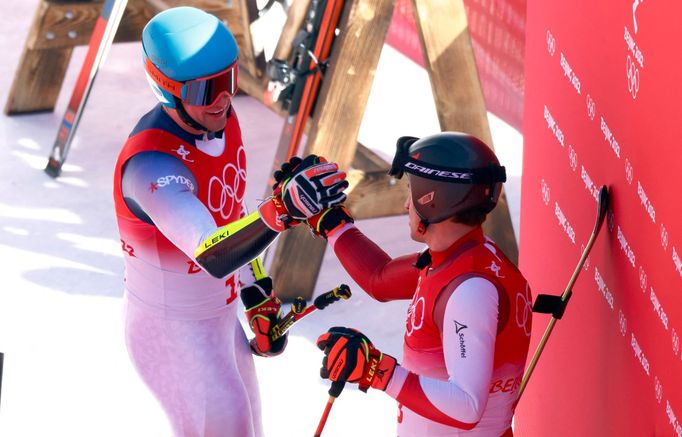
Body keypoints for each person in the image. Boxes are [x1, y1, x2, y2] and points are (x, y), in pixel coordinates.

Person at [112, 7, 347, 436]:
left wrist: (256, 295)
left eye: (229, 82)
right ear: (166, 89)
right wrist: (283, 210)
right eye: (206, 90)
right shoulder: (151, 164)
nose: (222, 100)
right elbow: (213, 251)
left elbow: (231, 213)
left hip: (217, 322)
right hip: (173, 331)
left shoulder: (219, 122)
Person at [303, 132, 533, 436]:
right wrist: (331, 223)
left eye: (411, 191)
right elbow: (379, 279)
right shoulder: (457, 257)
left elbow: (467, 406)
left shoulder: (470, 291)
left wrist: (377, 370)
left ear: (433, 199)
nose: (405, 205)